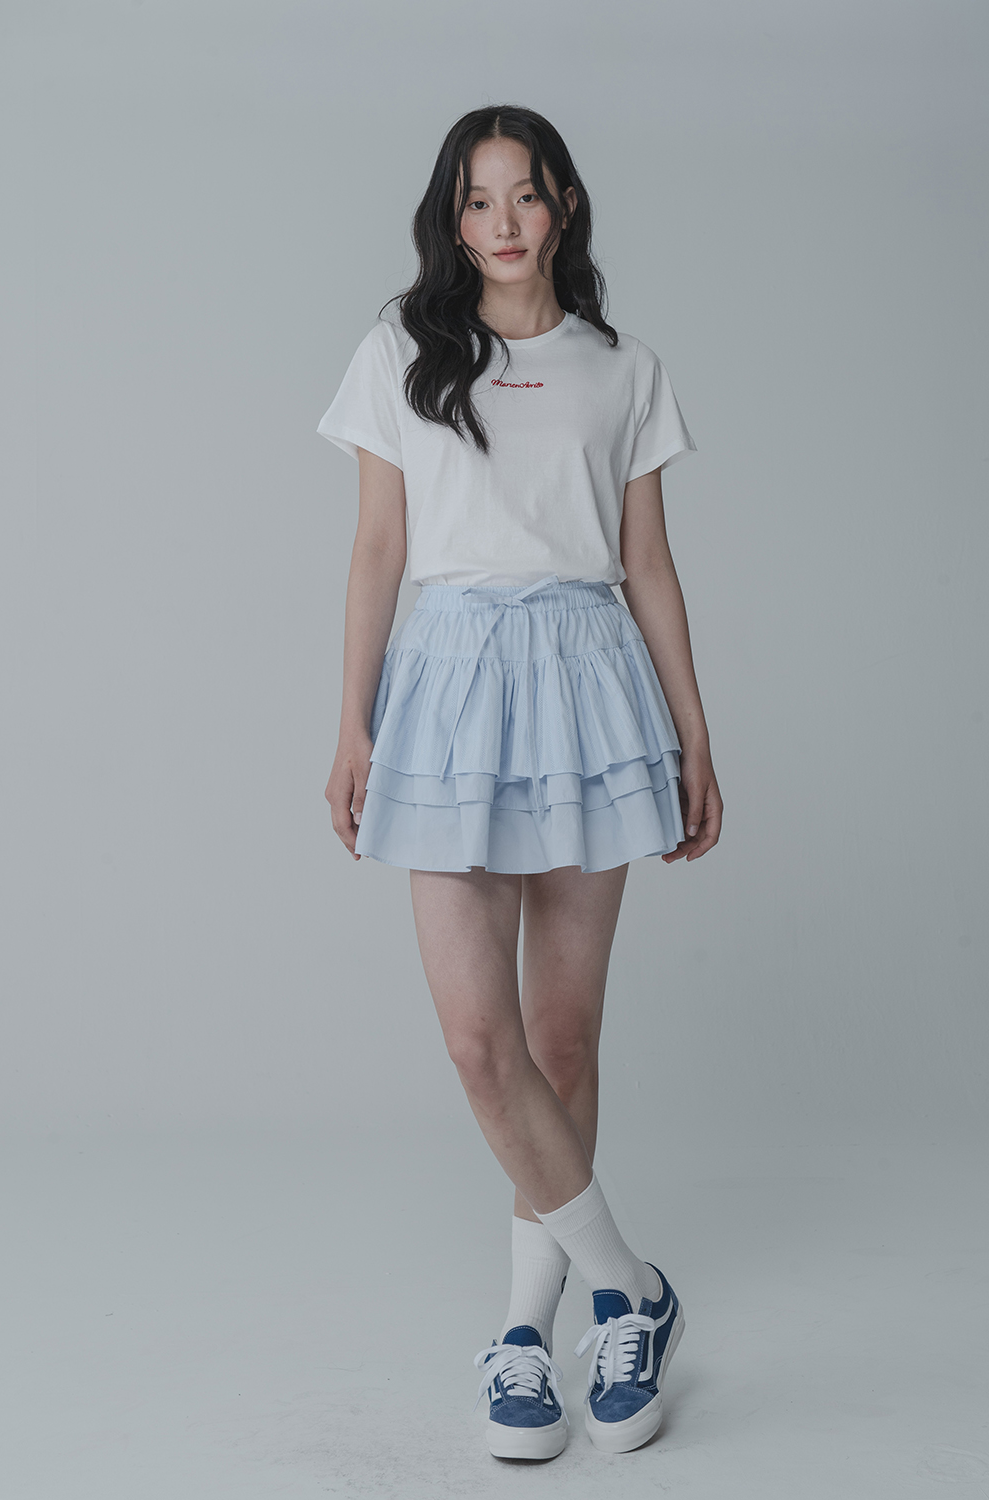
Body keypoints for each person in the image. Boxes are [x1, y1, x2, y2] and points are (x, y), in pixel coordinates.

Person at [316, 104, 723, 1461]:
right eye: (478, 199)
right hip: (444, 688)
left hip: (588, 683)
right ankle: (630, 1288)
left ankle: (526, 1339)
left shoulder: (624, 369)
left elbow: (647, 563)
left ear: (564, 208)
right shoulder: (401, 350)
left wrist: (695, 736)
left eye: (526, 195)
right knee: (479, 1045)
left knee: (561, 1041)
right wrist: (353, 723)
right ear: (452, 217)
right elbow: (378, 548)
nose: (502, 222)